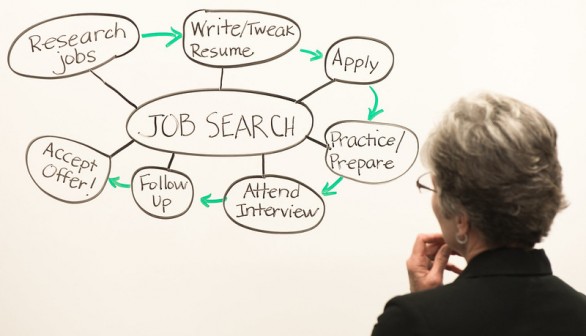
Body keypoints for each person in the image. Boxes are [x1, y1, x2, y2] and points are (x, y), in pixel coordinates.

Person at [371, 91, 586, 335]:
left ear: (462, 217)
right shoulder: (580, 313)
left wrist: (426, 311)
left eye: (435, 188)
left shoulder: (410, 322)